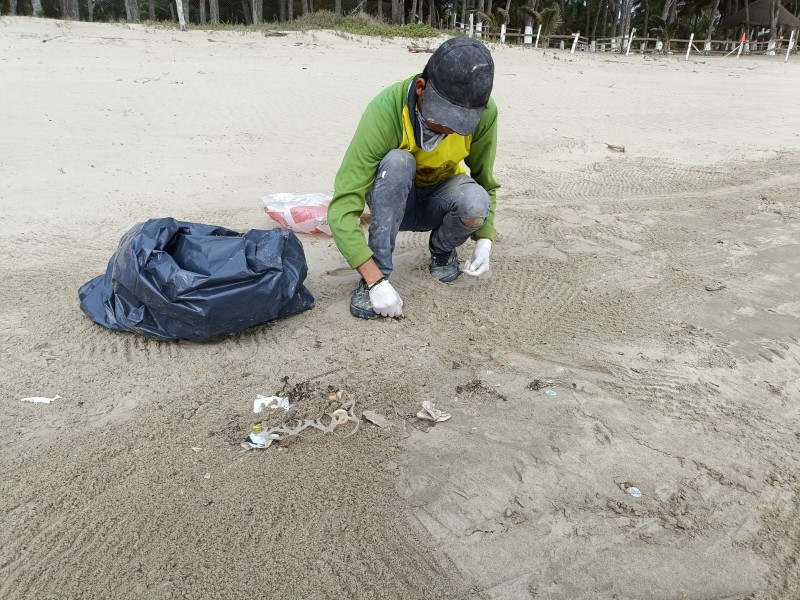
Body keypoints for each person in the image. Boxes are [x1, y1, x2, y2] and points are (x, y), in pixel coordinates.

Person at [327, 37, 499, 319]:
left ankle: (442, 250)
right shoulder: (386, 109)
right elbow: (343, 205)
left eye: (460, 124)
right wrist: (374, 280)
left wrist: (484, 240)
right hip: (393, 204)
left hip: (439, 201)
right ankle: (379, 271)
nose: (449, 130)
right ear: (421, 88)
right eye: (443, 119)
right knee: (398, 161)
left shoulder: (484, 113)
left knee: (476, 203)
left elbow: (485, 180)